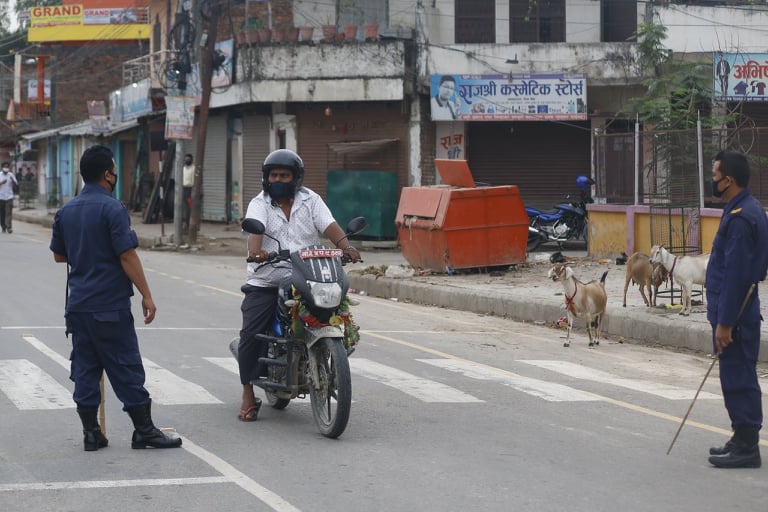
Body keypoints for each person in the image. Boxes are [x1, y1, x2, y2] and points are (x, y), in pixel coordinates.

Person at [50, 145, 182, 452]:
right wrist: (147, 295)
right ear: (108, 174)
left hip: (79, 306)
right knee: (125, 365)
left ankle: (91, 434)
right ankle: (144, 431)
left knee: (85, 367)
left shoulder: (66, 211)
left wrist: (85, 249)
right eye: (113, 170)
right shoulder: (112, 209)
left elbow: (59, 255)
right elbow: (127, 255)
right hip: (109, 305)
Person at [236, 149, 360, 421]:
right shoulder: (260, 203)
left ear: (296, 178)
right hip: (268, 277)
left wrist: (346, 246)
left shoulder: (310, 199)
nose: (278, 179)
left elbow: (330, 226)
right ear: (266, 178)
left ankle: (329, 355)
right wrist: (257, 253)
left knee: (338, 310)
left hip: (307, 274)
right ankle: (247, 392)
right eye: (274, 175)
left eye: (284, 175)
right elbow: (255, 233)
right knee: (250, 334)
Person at [706, 150, 768, 468]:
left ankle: (747, 447)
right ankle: (740, 436)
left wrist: (725, 323)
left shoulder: (743, 217)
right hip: (734, 311)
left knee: (739, 376)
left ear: (728, 180)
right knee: (733, 375)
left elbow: (735, 275)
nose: (712, 181)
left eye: (715, 176)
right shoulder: (742, 209)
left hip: (737, 314)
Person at [0, 161, 18, 233]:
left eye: (7, 167)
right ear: (2, 167)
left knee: (8, 213)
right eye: (5, 167)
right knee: (2, 213)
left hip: (9, 196)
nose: (6, 168)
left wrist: (13, 180)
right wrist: (1, 183)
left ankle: (9, 227)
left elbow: (16, 186)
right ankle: (3, 226)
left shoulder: (11, 175)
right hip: (1, 197)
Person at [182, 153, 194, 229]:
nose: (187, 161)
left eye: (188, 159)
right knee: (184, 206)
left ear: (191, 160)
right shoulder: (183, 168)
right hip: (184, 189)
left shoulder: (193, 168)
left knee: (190, 207)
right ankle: (185, 222)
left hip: (190, 189)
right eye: (186, 159)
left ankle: (189, 223)